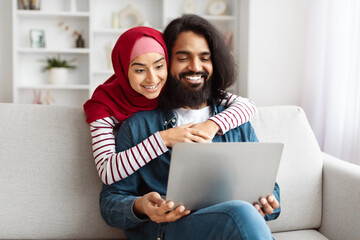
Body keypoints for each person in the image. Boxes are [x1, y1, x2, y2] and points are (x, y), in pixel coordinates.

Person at [99, 15, 280, 240]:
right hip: (169, 229)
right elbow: (110, 202)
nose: (195, 67)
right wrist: (141, 206)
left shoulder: (236, 120)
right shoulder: (138, 126)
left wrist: (269, 202)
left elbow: (269, 188)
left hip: (231, 228)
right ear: (166, 62)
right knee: (240, 214)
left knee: (242, 213)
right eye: (183, 58)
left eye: (204, 58)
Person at [83, 26, 257, 185]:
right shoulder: (103, 107)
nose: (152, 78)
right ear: (122, 70)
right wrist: (164, 139)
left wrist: (211, 126)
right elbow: (107, 171)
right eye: (139, 70)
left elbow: (247, 106)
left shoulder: (169, 87)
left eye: (159, 66)